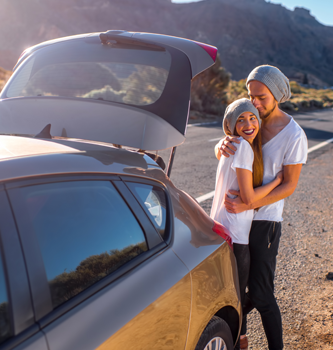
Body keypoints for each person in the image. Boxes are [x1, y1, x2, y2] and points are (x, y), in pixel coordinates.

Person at [215, 65, 308, 350]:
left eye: (261, 97)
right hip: (238, 221)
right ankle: (237, 336)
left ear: (277, 95)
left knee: (262, 294)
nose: (254, 103)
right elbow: (229, 151)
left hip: (265, 222)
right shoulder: (250, 122)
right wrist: (220, 145)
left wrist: (250, 202)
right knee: (235, 286)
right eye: (251, 96)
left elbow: (288, 185)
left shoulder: (294, 136)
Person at [210, 98, 283, 350]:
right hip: (236, 233)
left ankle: (236, 339)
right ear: (230, 125)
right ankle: (238, 342)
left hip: (222, 228)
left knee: (231, 292)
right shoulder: (242, 148)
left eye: (252, 117)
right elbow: (249, 198)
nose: (249, 123)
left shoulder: (234, 145)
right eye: (240, 119)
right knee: (238, 296)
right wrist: (277, 182)